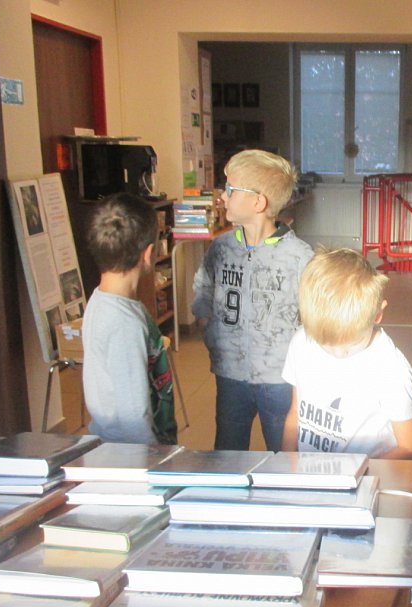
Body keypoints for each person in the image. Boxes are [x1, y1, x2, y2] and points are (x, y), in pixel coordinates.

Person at [192, 149, 313, 451]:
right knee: (228, 452)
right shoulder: (221, 248)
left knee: (283, 453)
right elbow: (203, 287)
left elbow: (313, 314)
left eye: (230, 190)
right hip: (230, 374)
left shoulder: (299, 256)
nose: (222, 197)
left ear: (258, 202)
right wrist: (208, 326)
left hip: (279, 379)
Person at [281, 247, 412, 459]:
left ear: (378, 314)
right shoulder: (302, 342)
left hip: (367, 476)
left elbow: (411, 447)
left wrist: (363, 472)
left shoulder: (390, 368)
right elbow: (295, 413)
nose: (338, 354)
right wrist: (287, 463)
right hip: (310, 474)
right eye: (325, 344)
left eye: (350, 344)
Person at [82, 192, 177, 445]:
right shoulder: (124, 324)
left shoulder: (102, 300)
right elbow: (134, 415)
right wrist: (155, 459)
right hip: (132, 453)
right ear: (148, 254)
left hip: (121, 446)